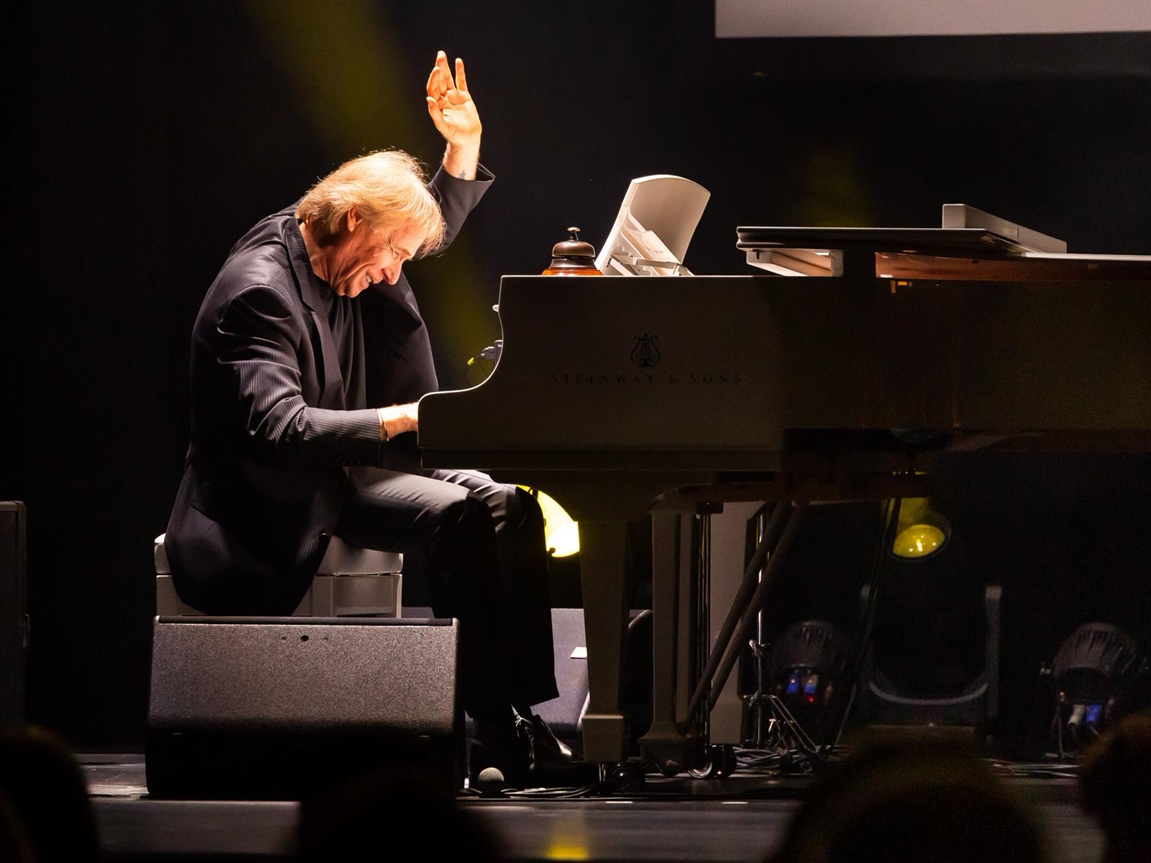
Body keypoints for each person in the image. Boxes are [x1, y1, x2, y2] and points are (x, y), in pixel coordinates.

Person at [164, 51, 580, 786]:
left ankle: (520, 713)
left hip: (351, 465)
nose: (395, 271)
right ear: (354, 219)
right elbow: (282, 431)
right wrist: (397, 418)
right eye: (391, 254)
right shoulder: (259, 293)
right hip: (280, 492)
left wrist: (463, 148)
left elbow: (422, 221)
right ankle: (486, 729)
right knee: (457, 515)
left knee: (511, 506)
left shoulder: (340, 238)